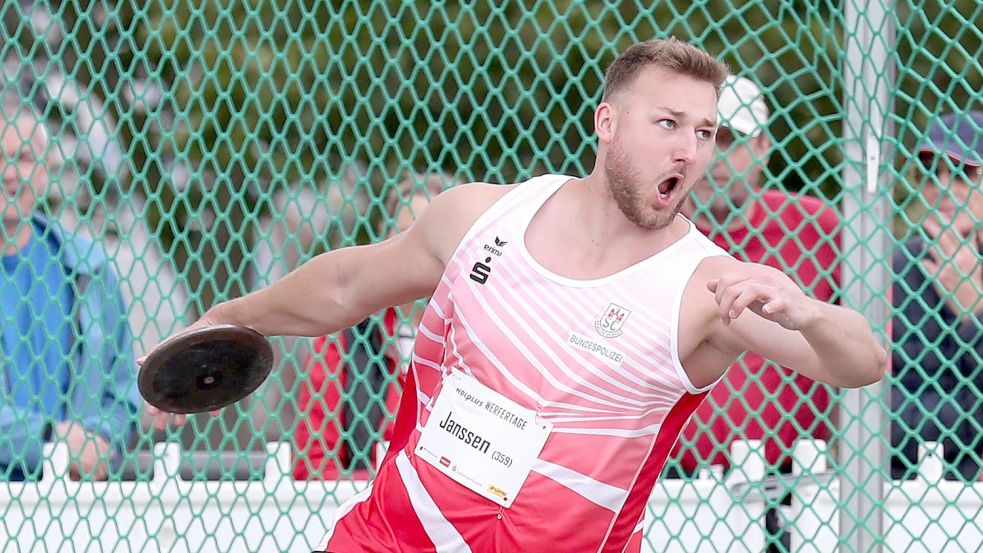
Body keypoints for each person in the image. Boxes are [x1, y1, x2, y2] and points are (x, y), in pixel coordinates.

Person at [146, 38, 885, 552]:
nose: (689, 150)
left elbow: (860, 363)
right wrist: (228, 317)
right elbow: (344, 284)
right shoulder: (481, 216)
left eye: (705, 131)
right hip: (391, 537)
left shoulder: (703, 286)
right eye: (667, 124)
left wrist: (811, 313)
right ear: (606, 123)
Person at [674, 76, 839, 473]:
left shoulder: (817, 228)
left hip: (790, 477)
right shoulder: (659, 232)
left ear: (764, 147)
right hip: (669, 474)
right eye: (704, 137)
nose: (715, 157)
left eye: (730, 140)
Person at [0, 92, 139, 481]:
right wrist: (51, 441)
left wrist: (99, 444)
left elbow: (123, 387)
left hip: (80, 507)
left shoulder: (88, 271)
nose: (10, 172)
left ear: (44, 172)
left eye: (24, 158)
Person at [293, 173, 456, 479]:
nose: (420, 255)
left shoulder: (472, 345)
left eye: (432, 242)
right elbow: (312, 466)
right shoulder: (345, 339)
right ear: (388, 245)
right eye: (407, 236)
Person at [891, 110, 983, 482]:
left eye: (962, 173)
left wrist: (973, 312)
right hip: (898, 485)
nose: (943, 187)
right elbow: (870, 413)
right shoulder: (893, 267)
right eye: (930, 172)